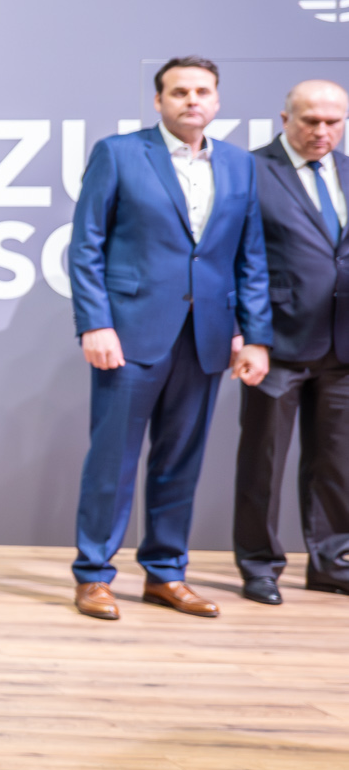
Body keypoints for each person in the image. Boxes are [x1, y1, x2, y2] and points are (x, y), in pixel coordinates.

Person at [68, 56, 272, 621]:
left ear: (217, 101)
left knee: (180, 461)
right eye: (179, 91)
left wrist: (253, 335)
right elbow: (86, 245)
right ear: (158, 101)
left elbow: (251, 257)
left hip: (208, 336)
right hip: (129, 334)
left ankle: (165, 573)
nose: (192, 100)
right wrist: (95, 323)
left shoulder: (239, 165)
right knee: (112, 460)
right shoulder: (118, 154)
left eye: (202, 91)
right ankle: (94, 575)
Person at [233, 79, 349, 604]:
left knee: (337, 463)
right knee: (263, 462)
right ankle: (259, 566)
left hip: (342, 347)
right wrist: (247, 334)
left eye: (333, 122)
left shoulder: (348, 170)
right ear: (285, 120)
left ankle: (332, 563)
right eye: (310, 121)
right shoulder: (251, 170)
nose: (322, 131)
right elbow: (235, 259)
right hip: (274, 343)